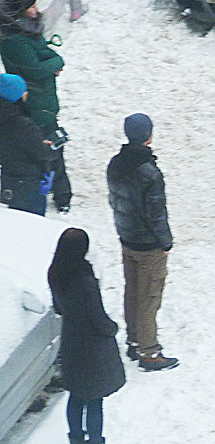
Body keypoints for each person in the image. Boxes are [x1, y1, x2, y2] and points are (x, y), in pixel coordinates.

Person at [106, 113, 179, 370]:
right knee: (149, 297)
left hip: (128, 238)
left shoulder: (115, 164)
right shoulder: (149, 173)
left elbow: (114, 200)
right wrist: (166, 243)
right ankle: (149, 352)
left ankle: (134, 340)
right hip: (149, 245)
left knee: (132, 291)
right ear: (149, 135)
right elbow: (156, 214)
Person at [46, 228, 125, 444]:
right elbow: (98, 318)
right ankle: (96, 440)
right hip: (93, 347)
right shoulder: (84, 279)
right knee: (94, 400)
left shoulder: (55, 272)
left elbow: (59, 308)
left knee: (76, 395)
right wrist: (112, 328)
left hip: (71, 341)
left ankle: (76, 438)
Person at [0, 0, 70, 212]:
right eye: (31, 6)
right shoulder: (15, 41)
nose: (36, 10)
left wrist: (51, 61)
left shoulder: (27, 29)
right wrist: (55, 63)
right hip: (36, 102)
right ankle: (62, 195)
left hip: (40, 98)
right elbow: (36, 68)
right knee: (50, 149)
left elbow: (45, 54)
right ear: (17, 11)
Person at [0, 73, 51, 215]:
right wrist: (46, 146)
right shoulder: (22, 124)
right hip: (27, 182)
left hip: (8, 179)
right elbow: (41, 152)